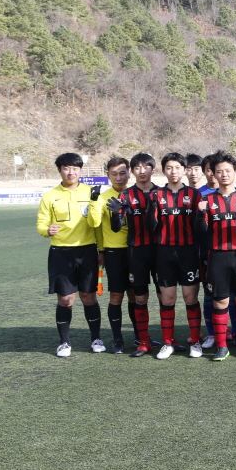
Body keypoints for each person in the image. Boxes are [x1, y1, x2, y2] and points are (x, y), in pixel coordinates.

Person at [37, 153, 104, 357]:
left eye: (75, 168)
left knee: (88, 296)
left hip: (87, 252)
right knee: (65, 299)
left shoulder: (91, 192)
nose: (71, 172)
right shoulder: (50, 196)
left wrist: (101, 250)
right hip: (61, 253)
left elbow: (96, 224)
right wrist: (47, 230)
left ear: (80, 170)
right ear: (59, 170)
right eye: (66, 168)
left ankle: (96, 338)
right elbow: (41, 223)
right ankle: (64, 343)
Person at [195, 151, 236, 361]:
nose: (223, 175)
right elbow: (200, 232)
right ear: (212, 174)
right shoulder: (206, 200)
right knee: (219, 303)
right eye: (218, 171)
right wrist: (199, 214)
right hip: (218, 257)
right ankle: (222, 345)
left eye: (228, 171)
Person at [146, 152, 204, 360]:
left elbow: (200, 228)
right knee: (168, 299)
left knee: (191, 297)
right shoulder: (156, 196)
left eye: (177, 168)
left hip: (188, 252)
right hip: (164, 253)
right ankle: (167, 343)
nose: (173, 172)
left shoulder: (195, 195)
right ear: (164, 171)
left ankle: (195, 341)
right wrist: (151, 209)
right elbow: (150, 226)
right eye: (169, 168)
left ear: (184, 170)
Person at [108, 153, 159, 357]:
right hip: (136, 252)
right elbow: (115, 228)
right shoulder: (125, 195)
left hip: (160, 251)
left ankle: (167, 340)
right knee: (140, 297)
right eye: (137, 168)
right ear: (132, 172)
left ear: (152, 170)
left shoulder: (161, 193)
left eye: (146, 167)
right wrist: (117, 214)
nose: (142, 171)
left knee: (165, 295)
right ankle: (143, 341)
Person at [95, 156, 133, 354]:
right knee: (116, 295)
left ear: (129, 173)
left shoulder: (135, 195)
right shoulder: (103, 198)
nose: (118, 177)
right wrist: (101, 250)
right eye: (114, 173)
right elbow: (99, 228)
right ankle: (118, 339)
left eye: (122, 172)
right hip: (114, 252)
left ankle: (139, 336)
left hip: (136, 251)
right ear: (108, 175)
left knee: (136, 296)